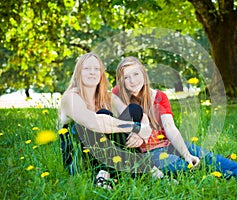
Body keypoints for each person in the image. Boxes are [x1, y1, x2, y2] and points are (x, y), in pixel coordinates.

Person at [112, 56, 237, 187]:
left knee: (206, 156)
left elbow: (170, 127)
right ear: (121, 81)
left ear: (143, 75)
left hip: (168, 143)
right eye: (126, 77)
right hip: (148, 153)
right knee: (181, 166)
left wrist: (187, 154)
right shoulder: (118, 95)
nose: (132, 81)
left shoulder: (159, 96)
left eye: (136, 74)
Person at [58, 53, 163, 188]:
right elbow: (93, 123)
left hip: (107, 155)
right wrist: (135, 128)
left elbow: (139, 114)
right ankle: (145, 169)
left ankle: (109, 172)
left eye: (96, 69)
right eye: (87, 68)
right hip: (80, 161)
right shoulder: (71, 97)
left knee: (133, 109)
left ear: (101, 73)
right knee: (103, 115)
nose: (92, 72)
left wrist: (142, 132)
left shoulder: (107, 97)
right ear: (78, 72)